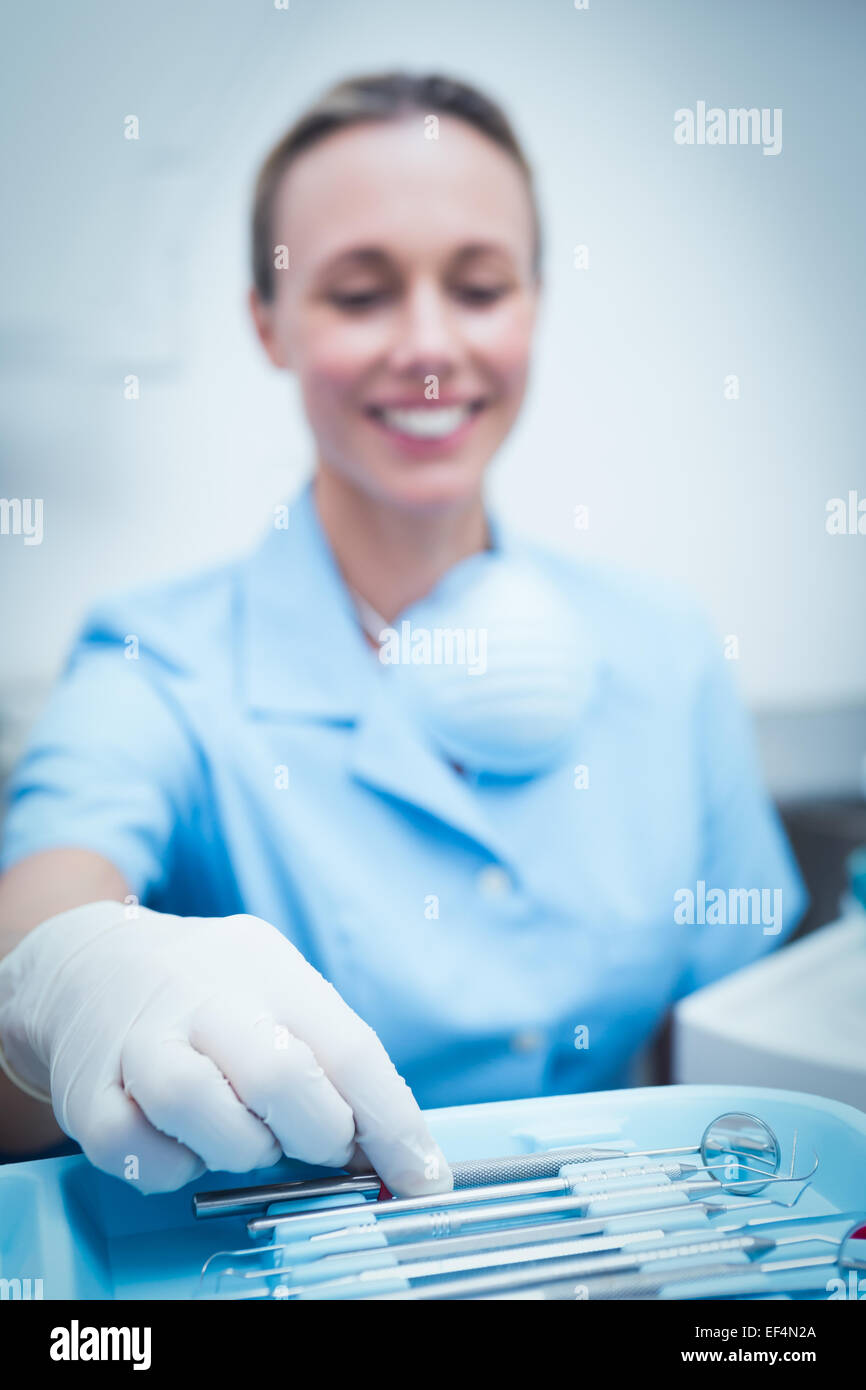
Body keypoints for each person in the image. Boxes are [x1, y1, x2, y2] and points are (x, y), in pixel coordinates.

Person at [0, 72, 806, 1196]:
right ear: (267, 322)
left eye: (478, 286)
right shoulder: (160, 660)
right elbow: (44, 891)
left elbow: (728, 1055)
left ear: (532, 304)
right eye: (358, 293)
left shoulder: (665, 653)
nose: (428, 345)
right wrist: (67, 973)